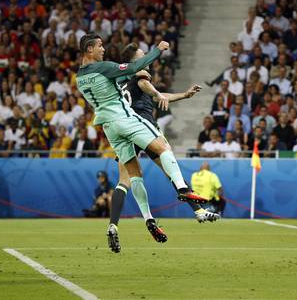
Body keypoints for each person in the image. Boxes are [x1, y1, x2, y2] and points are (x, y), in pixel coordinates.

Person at [76, 34, 206, 253]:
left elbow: (118, 80)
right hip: (125, 119)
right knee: (163, 147)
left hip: (108, 128)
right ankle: (183, 190)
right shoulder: (105, 68)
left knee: (133, 175)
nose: (103, 49)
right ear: (89, 49)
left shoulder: (80, 78)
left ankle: (144, 220)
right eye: (99, 46)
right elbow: (135, 67)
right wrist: (158, 49)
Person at [106, 42, 219, 239]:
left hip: (124, 129)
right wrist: (157, 93)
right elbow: (145, 85)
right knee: (170, 167)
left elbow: (155, 96)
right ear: (135, 61)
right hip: (143, 127)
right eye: (142, 55)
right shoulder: (139, 72)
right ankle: (198, 211)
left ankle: (116, 225)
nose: (146, 59)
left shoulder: (120, 80)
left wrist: (183, 95)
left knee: (125, 181)